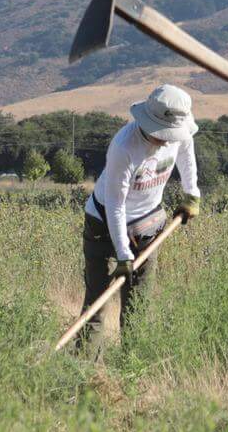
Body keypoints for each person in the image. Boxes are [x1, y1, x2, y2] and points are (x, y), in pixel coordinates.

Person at [80, 83, 203, 349]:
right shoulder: (124, 147)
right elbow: (115, 205)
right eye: (162, 134)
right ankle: (81, 375)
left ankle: (130, 373)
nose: (167, 140)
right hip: (104, 224)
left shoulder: (180, 132)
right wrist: (124, 256)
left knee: (138, 307)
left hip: (148, 224)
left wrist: (191, 194)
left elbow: (186, 157)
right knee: (96, 306)